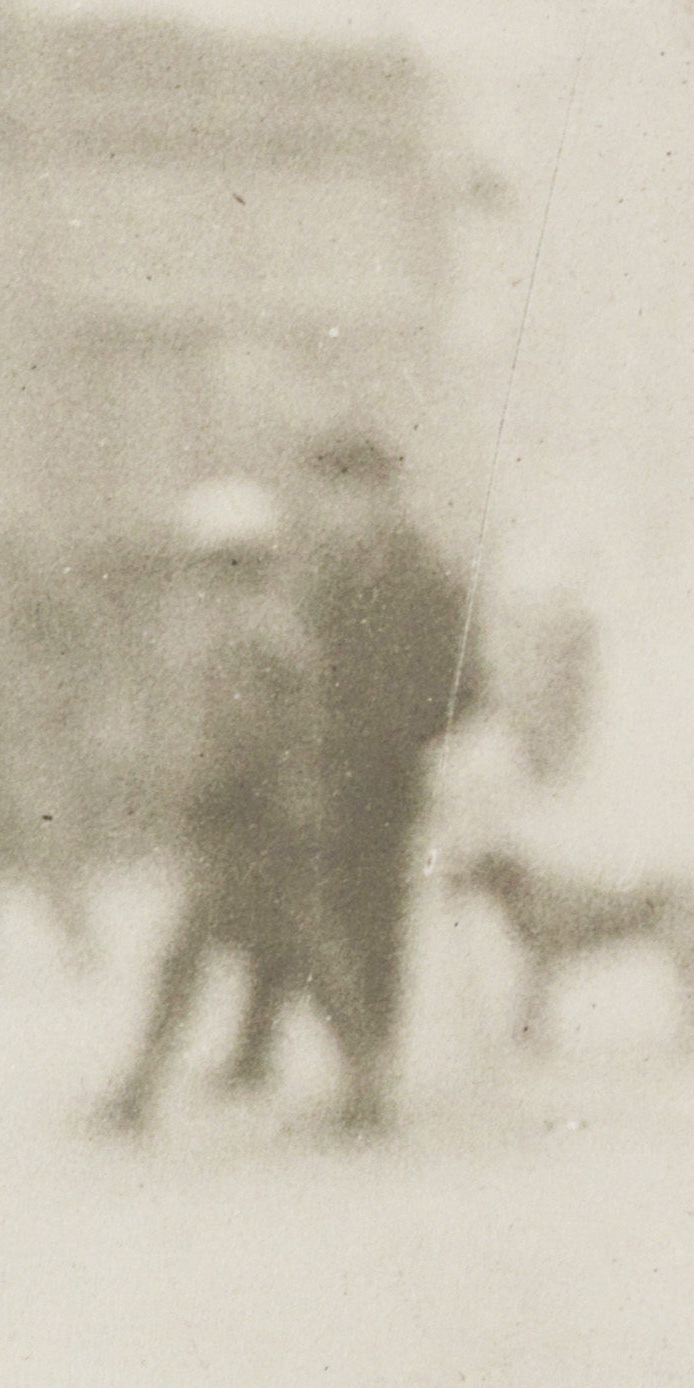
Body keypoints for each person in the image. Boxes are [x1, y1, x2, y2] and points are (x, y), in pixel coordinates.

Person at [98, 479, 345, 1134]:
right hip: (264, 816)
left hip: (249, 819)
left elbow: (243, 738)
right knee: (292, 946)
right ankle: (365, 1079)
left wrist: (193, 789)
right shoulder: (262, 625)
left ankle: (135, 1092)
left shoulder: (250, 632)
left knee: (217, 953)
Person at [285, 424, 476, 1133]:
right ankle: (358, 1070)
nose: (337, 510)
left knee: (375, 924)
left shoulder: (427, 576)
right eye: (329, 496)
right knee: (324, 921)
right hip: (320, 773)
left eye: (349, 494)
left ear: (381, 493)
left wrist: (409, 728)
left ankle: (371, 1078)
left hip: (388, 776)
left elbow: (467, 679)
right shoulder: (320, 576)